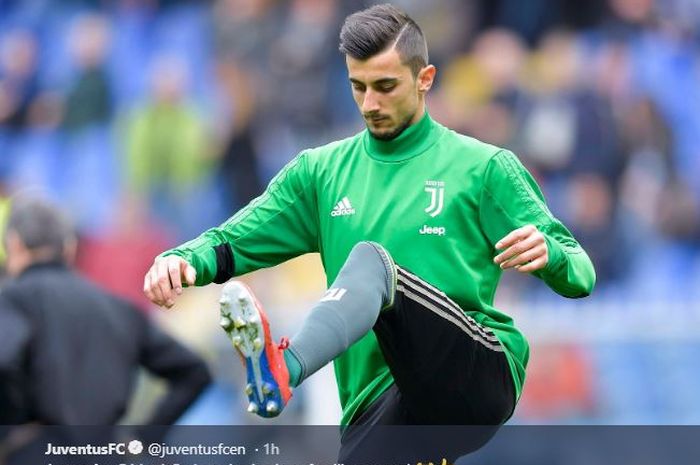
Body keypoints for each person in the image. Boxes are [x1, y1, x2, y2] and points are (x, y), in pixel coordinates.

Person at [144, 2, 595, 457]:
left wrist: (551, 254)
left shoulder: (483, 168)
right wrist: (180, 260)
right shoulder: (321, 173)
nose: (370, 104)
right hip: (379, 409)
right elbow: (231, 241)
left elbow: (581, 273)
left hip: (474, 375)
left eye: (385, 86)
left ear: (425, 79)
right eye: (357, 87)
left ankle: (286, 368)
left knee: (373, 262)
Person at [0, 197, 211, 425]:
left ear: (15, 244)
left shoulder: (10, 301)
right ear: (70, 248)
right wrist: (143, 438)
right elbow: (194, 371)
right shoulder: (119, 308)